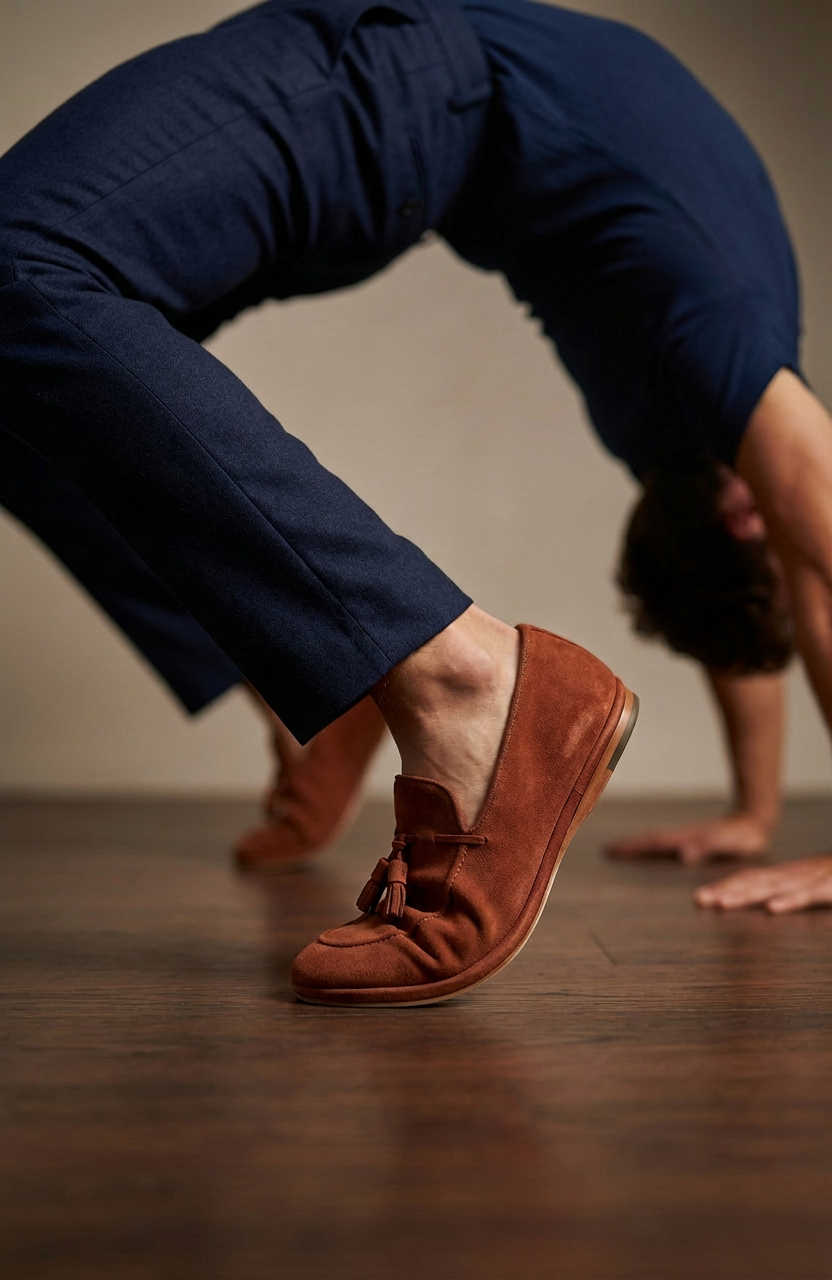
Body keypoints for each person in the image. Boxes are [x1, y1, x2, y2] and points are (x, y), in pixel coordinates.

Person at [0, 2, 828, 1006]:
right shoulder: (723, 343)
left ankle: (355, 678)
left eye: (741, 543)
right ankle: (428, 675)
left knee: (21, 324)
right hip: (422, 66)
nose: (759, 518)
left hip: (422, 126)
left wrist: (750, 810)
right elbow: (815, 559)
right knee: (17, 291)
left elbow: (781, 585)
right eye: (764, 534)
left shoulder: (679, 435)